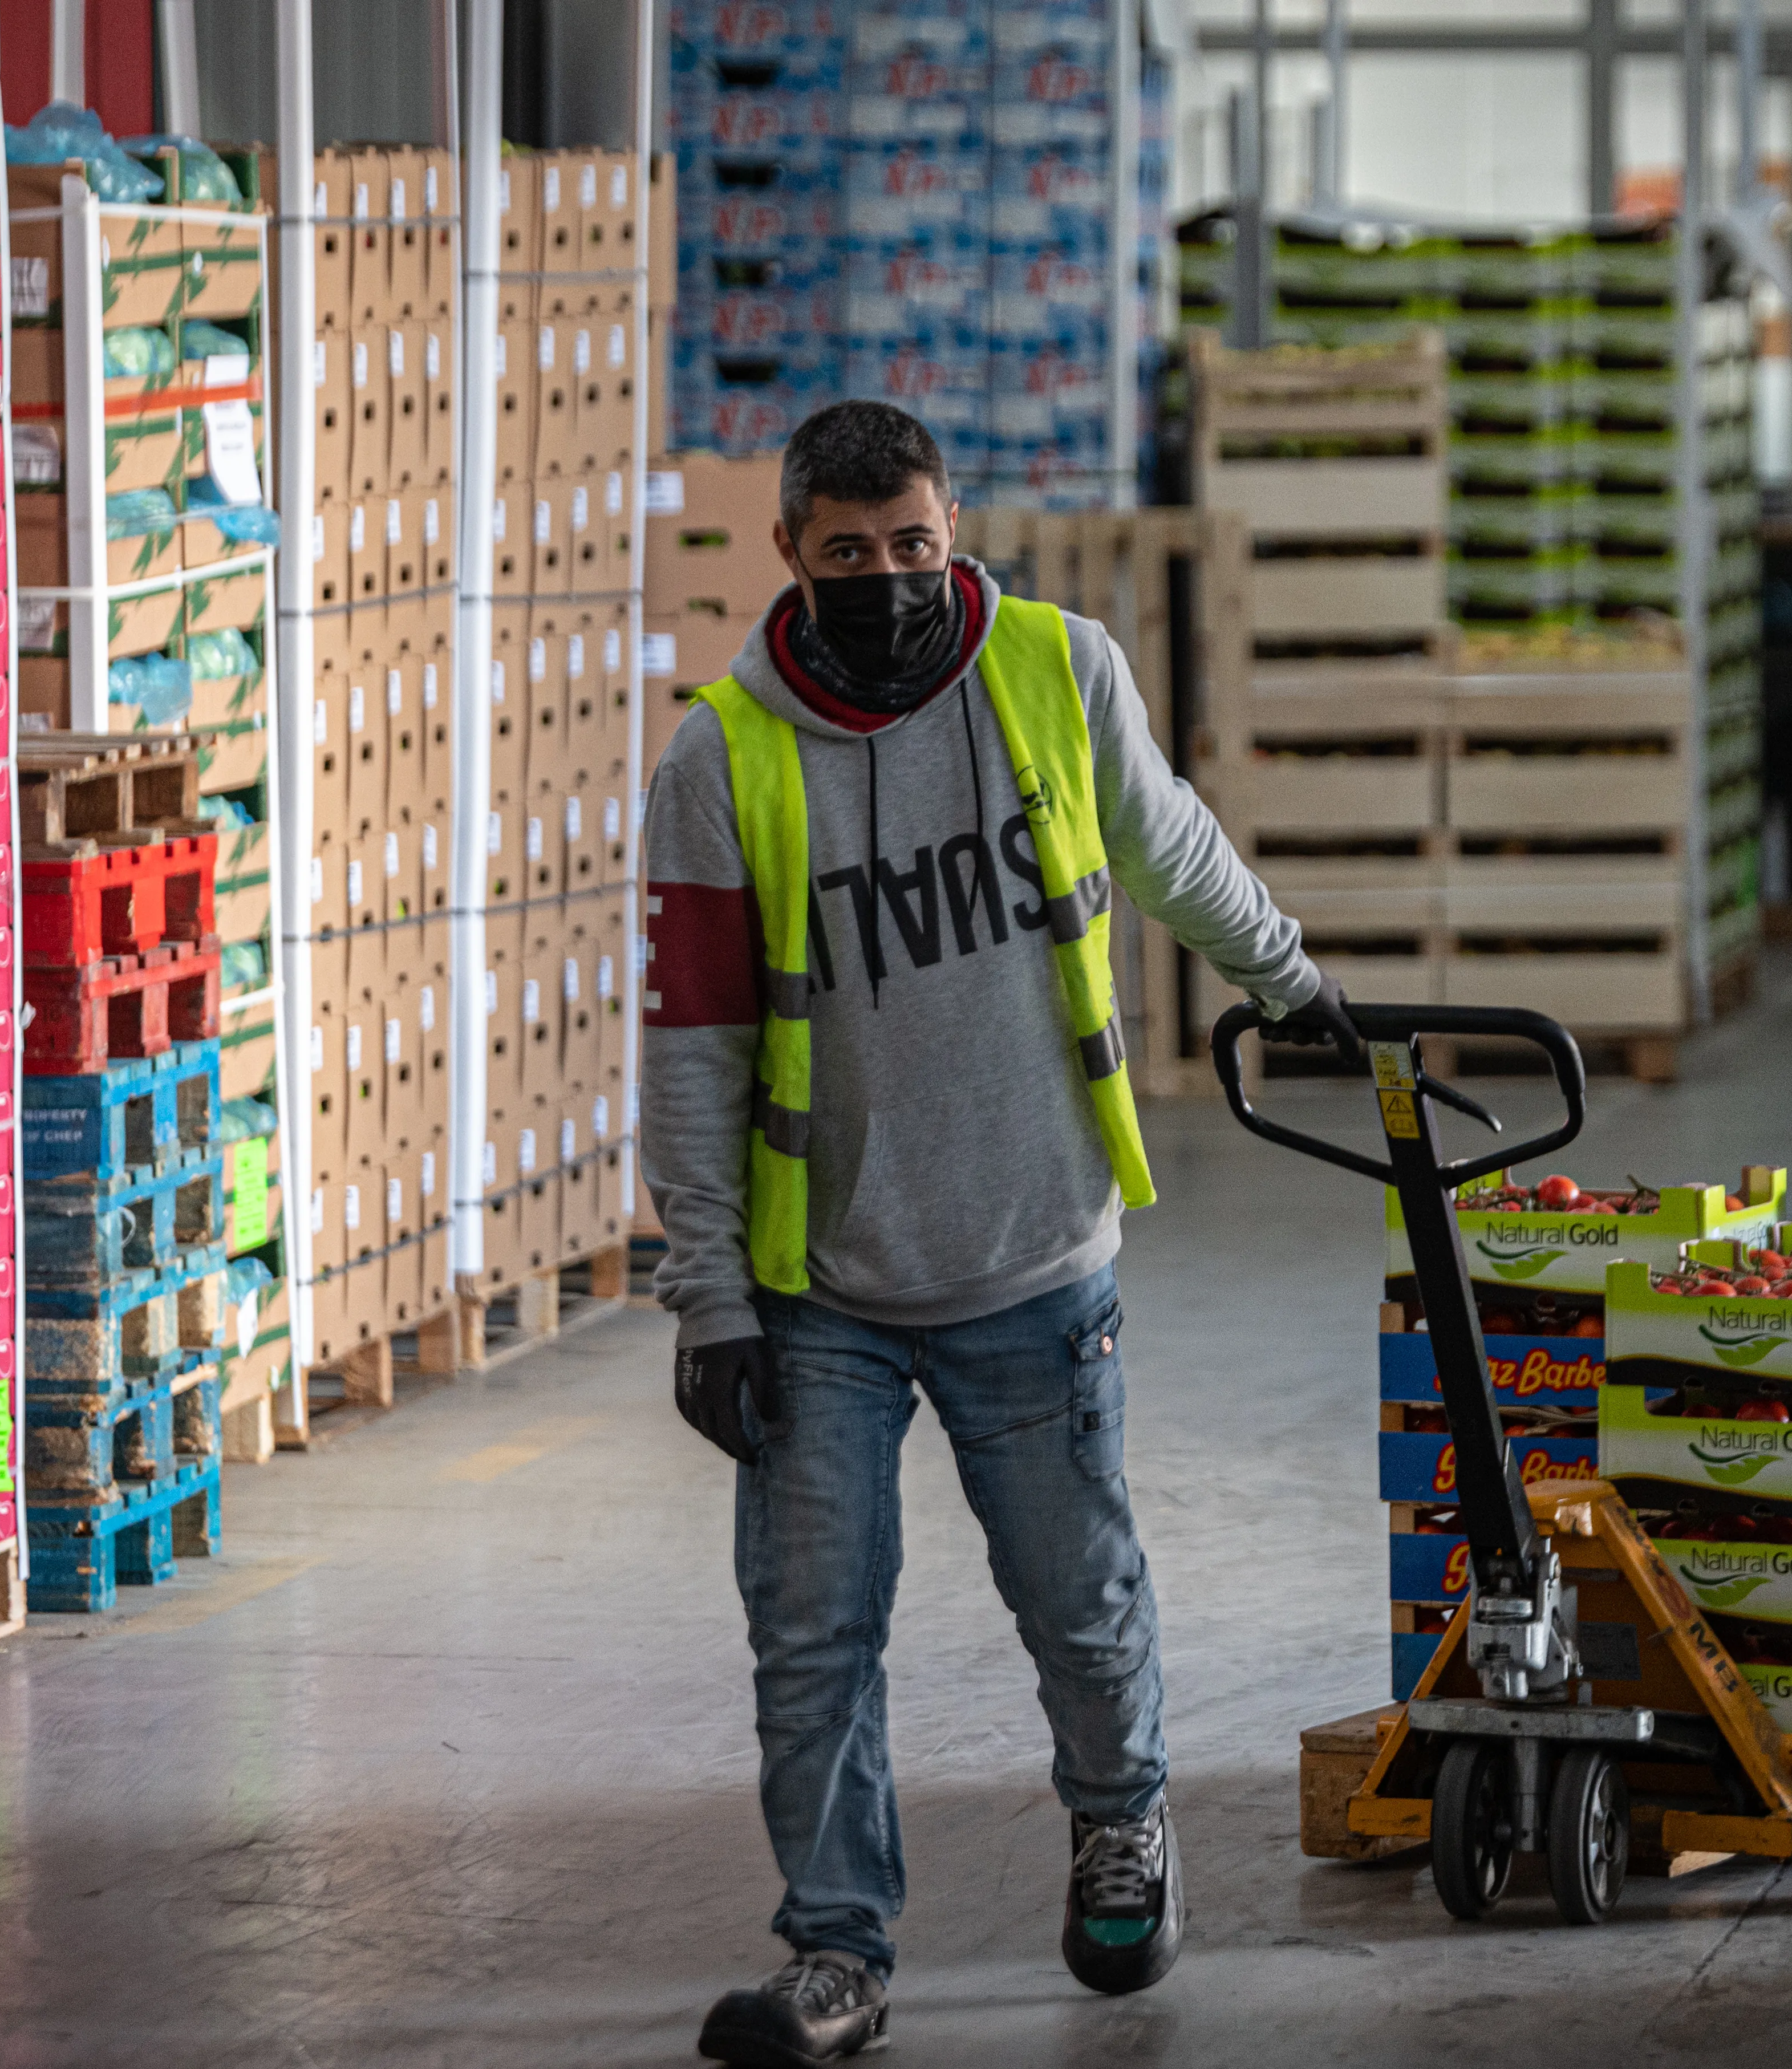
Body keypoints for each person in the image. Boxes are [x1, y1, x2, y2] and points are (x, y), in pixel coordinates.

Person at [642, 400, 1357, 2069]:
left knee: (1079, 1594)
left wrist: (1289, 976)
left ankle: (1121, 1830)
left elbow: (1167, 841)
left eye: (913, 547)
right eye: (848, 554)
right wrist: (708, 1298)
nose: (886, 578)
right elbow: (694, 1047)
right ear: (790, 554)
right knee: (813, 1629)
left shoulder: (1057, 667)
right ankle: (837, 1950)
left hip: (1036, 1252)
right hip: (817, 1285)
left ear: (952, 529)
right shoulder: (718, 760)